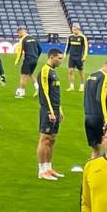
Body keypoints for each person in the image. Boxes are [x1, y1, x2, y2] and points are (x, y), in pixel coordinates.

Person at [83, 59, 107, 163]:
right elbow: (101, 98)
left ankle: (92, 171)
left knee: (95, 148)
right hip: (98, 116)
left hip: (88, 116)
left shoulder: (91, 75)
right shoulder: (105, 77)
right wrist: (106, 119)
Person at [36, 49, 66, 180]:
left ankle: (48, 168)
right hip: (48, 111)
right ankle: (42, 170)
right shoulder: (45, 71)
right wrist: (50, 111)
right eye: (59, 58)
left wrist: (59, 109)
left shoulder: (53, 72)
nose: (61, 61)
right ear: (51, 57)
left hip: (55, 110)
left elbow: (55, 94)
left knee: (52, 140)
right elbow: (44, 94)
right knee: (45, 139)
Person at [13, 26, 41, 98]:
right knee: (30, 74)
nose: (18, 36)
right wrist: (36, 57)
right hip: (35, 59)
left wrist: (16, 61)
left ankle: (21, 93)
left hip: (28, 59)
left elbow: (20, 52)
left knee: (23, 76)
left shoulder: (23, 39)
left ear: (20, 32)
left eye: (18, 34)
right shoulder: (34, 38)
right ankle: (38, 88)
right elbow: (40, 49)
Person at [66, 23, 89, 91]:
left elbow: (86, 47)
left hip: (79, 57)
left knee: (81, 72)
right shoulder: (70, 37)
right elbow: (67, 46)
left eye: (75, 29)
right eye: (73, 29)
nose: (74, 30)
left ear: (78, 29)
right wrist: (65, 54)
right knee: (70, 71)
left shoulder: (82, 37)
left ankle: (82, 86)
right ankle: (71, 86)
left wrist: (84, 56)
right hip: (72, 57)